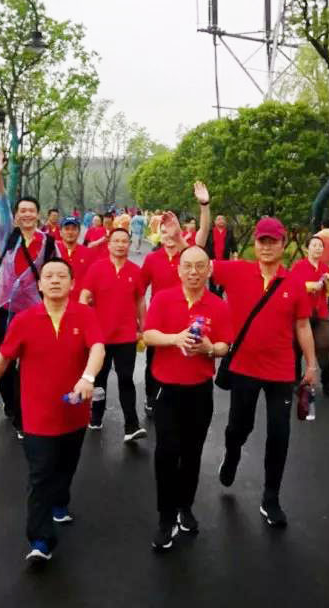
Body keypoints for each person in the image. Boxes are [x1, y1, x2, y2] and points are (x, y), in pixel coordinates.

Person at [0, 259, 105, 565]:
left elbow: (98, 348)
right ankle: (40, 540)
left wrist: (87, 378)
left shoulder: (85, 315)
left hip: (74, 413)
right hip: (37, 416)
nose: (55, 280)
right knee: (40, 474)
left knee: (66, 466)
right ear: (39, 285)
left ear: (72, 284)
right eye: (49, 276)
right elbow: (4, 358)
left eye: (61, 276)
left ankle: (60, 502)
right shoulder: (24, 320)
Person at [213, 216, 316, 527]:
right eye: (262, 241)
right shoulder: (237, 271)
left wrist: (311, 364)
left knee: (279, 434)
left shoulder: (294, 283)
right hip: (244, 367)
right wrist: (192, 226)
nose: (267, 246)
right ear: (255, 244)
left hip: (281, 371)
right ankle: (232, 453)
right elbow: (196, 262)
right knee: (238, 427)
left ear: (283, 245)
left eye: (273, 241)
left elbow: (302, 326)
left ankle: (271, 498)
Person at [143, 245, 233, 549]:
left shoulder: (218, 305)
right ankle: (165, 517)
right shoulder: (163, 298)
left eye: (200, 266)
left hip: (199, 391)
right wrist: (175, 338)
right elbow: (148, 335)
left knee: (192, 453)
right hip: (167, 389)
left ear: (209, 270)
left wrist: (209, 348)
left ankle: (185, 507)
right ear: (179, 270)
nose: (193, 272)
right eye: (188, 266)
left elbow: (224, 345)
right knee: (167, 452)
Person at [0, 151, 59, 434]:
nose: (27, 214)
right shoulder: (9, 235)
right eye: (22, 211)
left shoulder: (48, 242)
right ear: (16, 216)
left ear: (38, 214)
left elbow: (55, 274)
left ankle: (25, 409)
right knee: (6, 360)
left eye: (31, 210)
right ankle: (13, 407)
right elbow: (1, 207)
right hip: (6, 311)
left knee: (31, 362)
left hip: (34, 312)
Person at [140, 184, 211, 416]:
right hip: (160, 320)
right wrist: (141, 322)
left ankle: (184, 400)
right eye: (164, 232)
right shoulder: (152, 259)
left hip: (189, 317)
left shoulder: (187, 254)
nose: (168, 237)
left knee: (187, 359)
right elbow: (139, 291)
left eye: (171, 232)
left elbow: (203, 232)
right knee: (154, 361)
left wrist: (204, 205)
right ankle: (152, 398)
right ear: (158, 235)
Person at [79, 228, 147, 441]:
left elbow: (140, 301)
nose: (120, 245)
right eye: (116, 241)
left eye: (124, 241)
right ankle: (96, 417)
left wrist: (144, 328)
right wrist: (85, 323)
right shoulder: (97, 268)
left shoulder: (135, 271)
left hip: (126, 336)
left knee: (126, 379)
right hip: (100, 337)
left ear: (129, 245)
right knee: (99, 380)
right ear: (109, 245)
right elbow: (84, 296)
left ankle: (131, 426)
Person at [291, 233, 329, 395]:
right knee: (297, 347)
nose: (318, 248)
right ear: (307, 249)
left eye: (320, 246)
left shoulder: (325, 268)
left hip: (320, 312)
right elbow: (293, 286)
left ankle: (328, 380)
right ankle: (295, 379)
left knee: (324, 345)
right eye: (314, 245)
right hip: (300, 313)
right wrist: (310, 286)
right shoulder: (299, 266)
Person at [56, 216, 92, 297]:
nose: (70, 232)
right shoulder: (53, 251)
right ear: (60, 232)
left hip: (81, 300)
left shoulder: (89, 253)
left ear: (79, 232)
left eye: (74, 229)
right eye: (67, 229)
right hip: (57, 299)